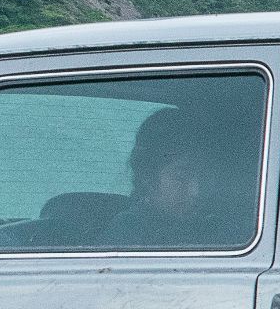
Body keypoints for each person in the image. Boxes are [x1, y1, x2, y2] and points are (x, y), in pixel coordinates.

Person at [106, 105, 259, 249]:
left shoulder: (217, 227)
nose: (196, 191)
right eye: (181, 177)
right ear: (147, 176)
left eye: (204, 176)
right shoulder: (128, 232)